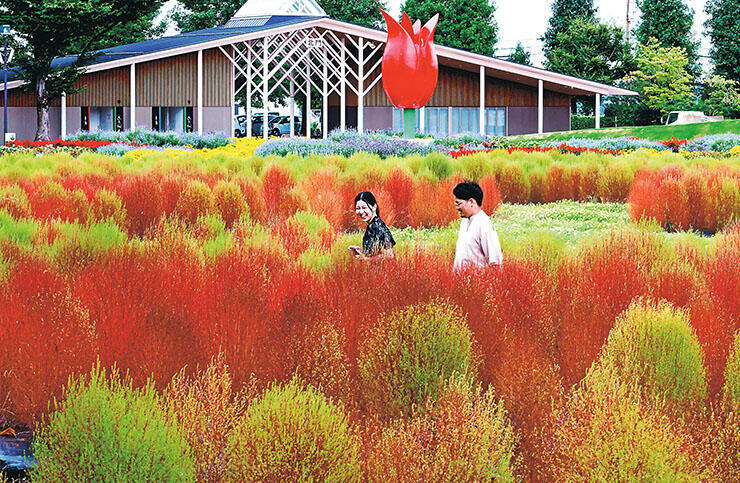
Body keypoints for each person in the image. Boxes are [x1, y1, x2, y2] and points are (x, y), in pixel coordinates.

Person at [452, 180, 503, 271]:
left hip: (478, 282)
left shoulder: (484, 224)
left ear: (471, 202)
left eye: (459, 204)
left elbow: (495, 261)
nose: (456, 208)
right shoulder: (464, 222)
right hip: (461, 282)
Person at [348, 191, 396, 260]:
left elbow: (389, 255)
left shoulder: (378, 227)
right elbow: (375, 253)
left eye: (364, 207)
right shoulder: (372, 226)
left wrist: (366, 259)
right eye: (358, 208)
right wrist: (360, 251)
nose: (361, 212)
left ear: (374, 207)